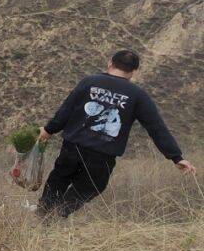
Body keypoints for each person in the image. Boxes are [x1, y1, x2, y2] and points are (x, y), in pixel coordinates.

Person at [37, 50, 195, 218]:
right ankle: (56, 215)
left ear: (110, 63)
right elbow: (156, 128)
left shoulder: (89, 82)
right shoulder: (137, 95)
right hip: (102, 154)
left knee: (59, 179)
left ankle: (44, 215)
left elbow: (66, 110)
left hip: (72, 147)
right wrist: (176, 157)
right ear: (134, 71)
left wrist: (48, 130)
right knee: (91, 186)